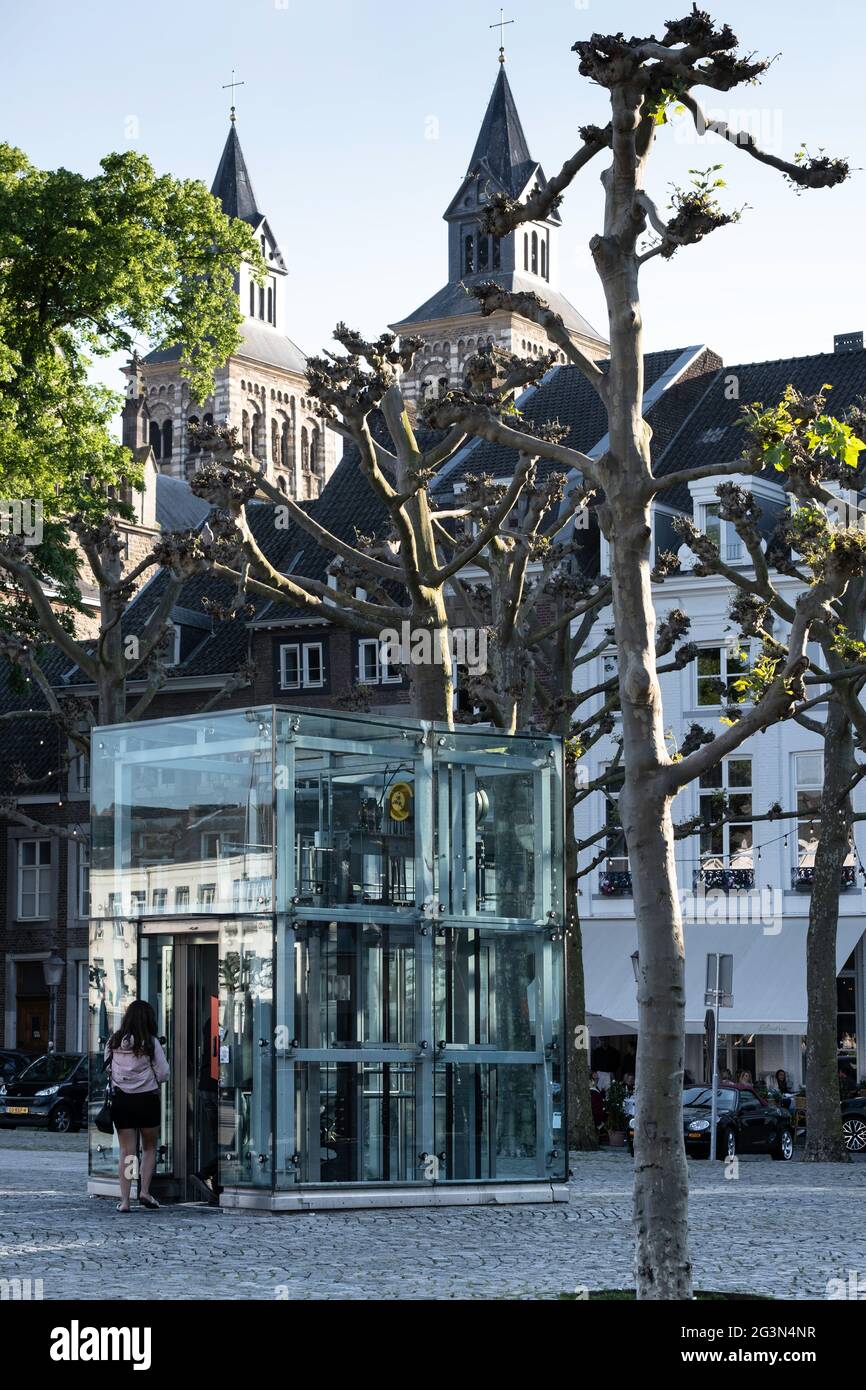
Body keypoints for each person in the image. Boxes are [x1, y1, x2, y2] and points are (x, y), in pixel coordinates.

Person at [105, 999, 169, 1213]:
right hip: (147, 1100)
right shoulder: (151, 1043)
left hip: (122, 1101)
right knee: (149, 1148)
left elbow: (107, 1069)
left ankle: (125, 1200)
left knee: (127, 1152)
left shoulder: (113, 1042)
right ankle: (144, 1191)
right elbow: (163, 1074)